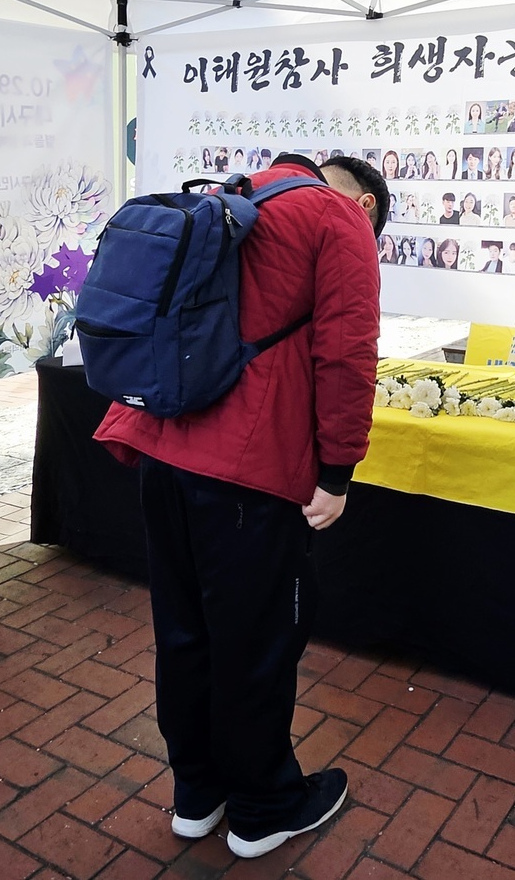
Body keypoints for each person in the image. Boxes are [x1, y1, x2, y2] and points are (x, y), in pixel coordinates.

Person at [92, 153, 387, 861]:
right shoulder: (337, 219)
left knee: (184, 633)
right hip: (247, 470)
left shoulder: (231, 194)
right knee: (255, 644)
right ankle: (263, 808)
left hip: (162, 447)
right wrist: (338, 470)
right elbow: (347, 353)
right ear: (368, 205)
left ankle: (197, 795)